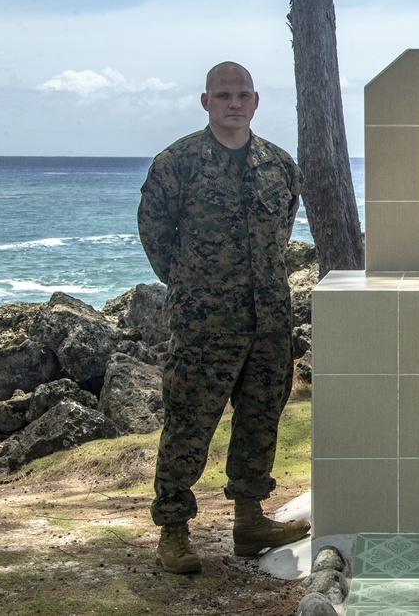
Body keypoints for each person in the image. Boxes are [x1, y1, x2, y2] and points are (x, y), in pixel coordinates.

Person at [138, 61, 309, 574]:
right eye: (223, 95)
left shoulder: (279, 165)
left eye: (242, 95)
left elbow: (283, 228)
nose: (233, 103)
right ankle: (174, 529)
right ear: (206, 102)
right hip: (204, 324)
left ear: (255, 102)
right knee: (190, 423)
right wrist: (192, 287)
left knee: (260, 421)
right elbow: (154, 231)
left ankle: (250, 519)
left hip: (269, 320)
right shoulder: (177, 163)